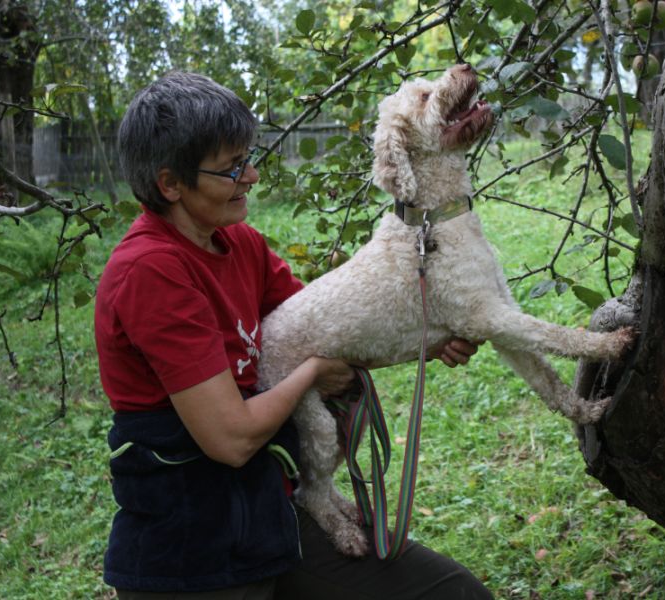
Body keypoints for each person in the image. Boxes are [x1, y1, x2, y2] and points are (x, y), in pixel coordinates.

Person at [94, 71, 492, 600]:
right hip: (191, 550)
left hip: (267, 511)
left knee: (450, 593)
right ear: (170, 184)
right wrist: (311, 372)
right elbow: (232, 439)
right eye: (232, 167)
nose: (252, 175)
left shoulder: (240, 244)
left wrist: (431, 337)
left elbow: (329, 331)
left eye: (248, 157)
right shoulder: (150, 272)